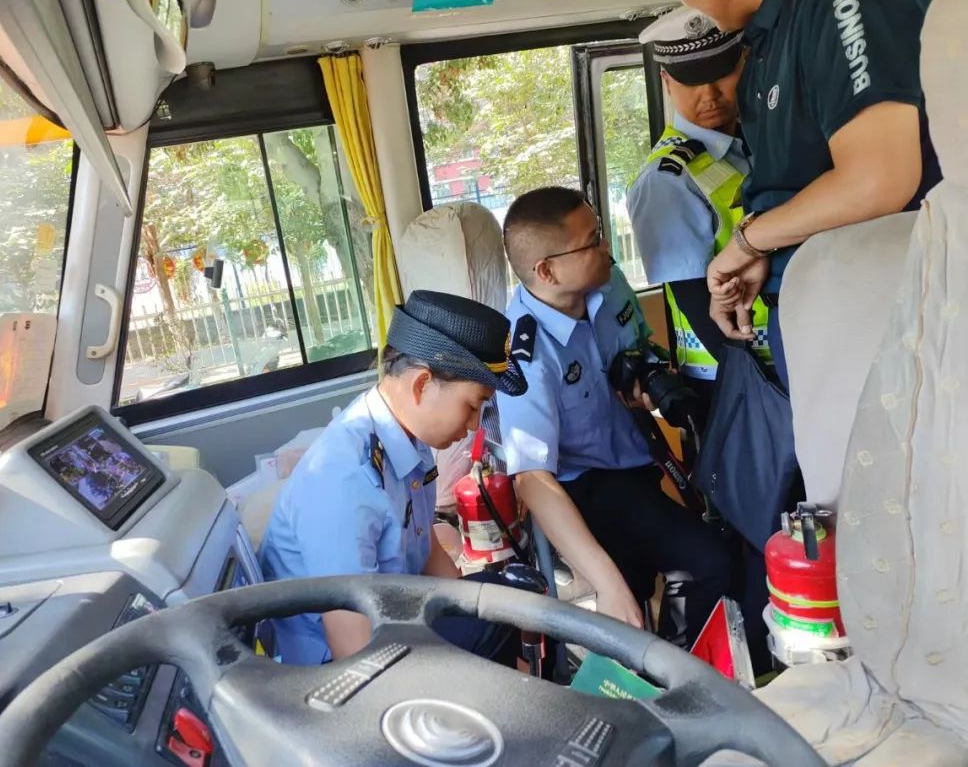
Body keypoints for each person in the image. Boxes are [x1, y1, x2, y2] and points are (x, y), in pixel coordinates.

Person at [658, 0, 942, 388]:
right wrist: (765, 253)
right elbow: (798, 182)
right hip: (824, 308)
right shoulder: (769, 38)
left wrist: (747, 242)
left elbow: (876, 179)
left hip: (890, 311)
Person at [496, 187, 731, 648]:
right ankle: (667, 678)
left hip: (638, 455)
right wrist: (607, 583)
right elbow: (531, 479)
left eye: (600, 233)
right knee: (691, 567)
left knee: (717, 553)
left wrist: (643, 379)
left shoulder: (606, 281)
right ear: (546, 270)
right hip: (584, 485)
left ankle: (675, 669)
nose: (607, 248)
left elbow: (638, 347)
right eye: (591, 242)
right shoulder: (525, 353)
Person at [258, 290, 529, 666]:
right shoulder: (344, 480)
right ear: (421, 385)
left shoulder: (405, 436)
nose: (472, 426)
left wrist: (482, 609)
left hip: (397, 615)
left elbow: (428, 549)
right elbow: (354, 651)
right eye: (471, 406)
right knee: (489, 626)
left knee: (504, 601)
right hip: (336, 666)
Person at [627, 6, 771, 411]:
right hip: (732, 379)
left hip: (785, 357)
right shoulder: (667, 179)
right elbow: (694, 299)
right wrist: (759, 388)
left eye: (720, 74)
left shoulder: (754, 146)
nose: (709, 95)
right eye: (691, 81)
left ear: (743, 63)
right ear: (666, 82)